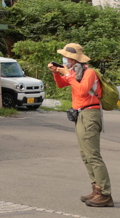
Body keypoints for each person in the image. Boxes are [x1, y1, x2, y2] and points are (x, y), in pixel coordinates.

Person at [49, 42, 113, 208]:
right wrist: (57, 73)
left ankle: (105, 193)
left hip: (90, 114)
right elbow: (62, 84)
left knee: (93, 155)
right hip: (80, 114)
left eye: (67, 57)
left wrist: (67, 75)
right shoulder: (74, 71)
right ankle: (96, 188)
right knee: (85, 155)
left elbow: (82, 91)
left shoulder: (89, 72)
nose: (65, 59)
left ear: (73, 59)